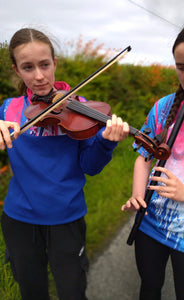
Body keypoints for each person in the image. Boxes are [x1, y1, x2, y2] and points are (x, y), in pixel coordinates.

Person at [0, 28, 129, 300]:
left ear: (55, 63)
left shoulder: (79, 107)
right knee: (31, 291)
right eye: (28, 67)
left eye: (45, 65)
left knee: (72, 291)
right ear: (17, 70)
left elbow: (90, 166)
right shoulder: (8, 109)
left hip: (66, 219)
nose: (38, 76)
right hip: (19, 220)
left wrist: (106, 142)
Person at [122, 15, 184, 300]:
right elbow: (144, 156)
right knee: (149, 288)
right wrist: (137, 194)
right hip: (151, 225)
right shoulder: (164, 106)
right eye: (181, 68)